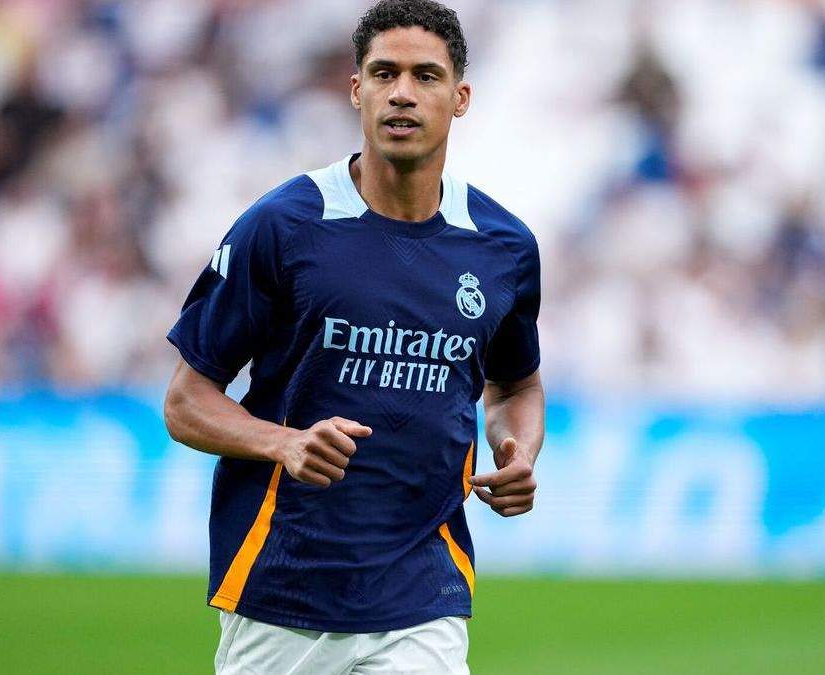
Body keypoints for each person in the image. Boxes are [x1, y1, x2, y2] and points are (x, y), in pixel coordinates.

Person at [162, 1, 545, 672]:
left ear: (460, 98)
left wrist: (518, 449)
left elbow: (516, 385)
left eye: (426, 76)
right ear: (356, 90)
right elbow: (185, 400)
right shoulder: (283, 226)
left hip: (424, 593)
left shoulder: (503, 246)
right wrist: (284, 443)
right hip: (283, 590)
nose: (402, 92)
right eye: (384, 73)